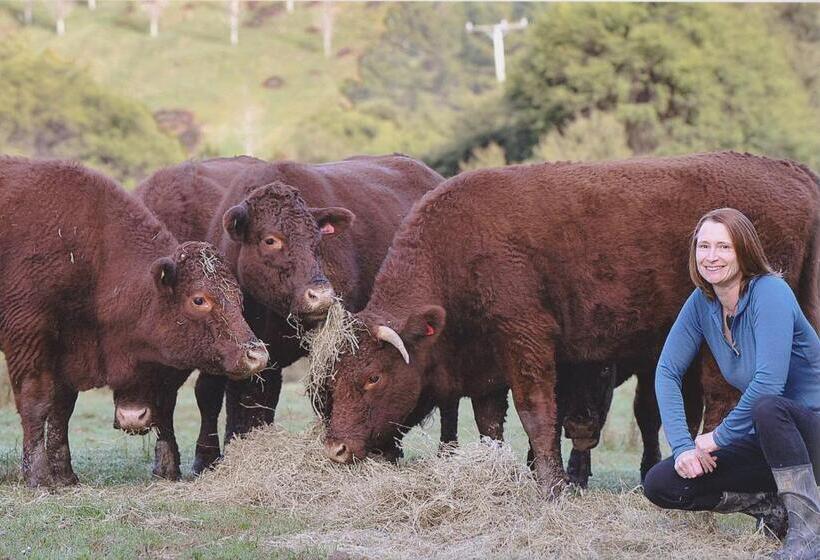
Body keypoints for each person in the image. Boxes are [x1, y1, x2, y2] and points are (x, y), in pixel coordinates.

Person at [643, 208, 820, 560]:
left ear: (745, 250)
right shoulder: (701, 302)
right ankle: (772, 505)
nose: (711, 257)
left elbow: (769, 384)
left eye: (723, 247)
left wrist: (717, 438)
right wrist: (682, 447)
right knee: (661, 483)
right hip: (770, 443)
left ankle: (810, 533)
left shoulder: (770, 292)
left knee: (767, 408)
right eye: (703, 246)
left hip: (811, 432)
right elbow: (666, 372)